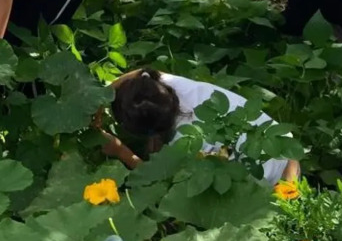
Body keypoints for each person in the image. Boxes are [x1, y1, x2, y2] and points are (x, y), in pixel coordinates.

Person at [102, 67, 301, 184]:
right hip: (286, 152)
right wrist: (101, 96)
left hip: (274, 185)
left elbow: (162, 182)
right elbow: (143, 72)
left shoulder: (185, 144)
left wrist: (120, 151)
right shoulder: (173, 86)